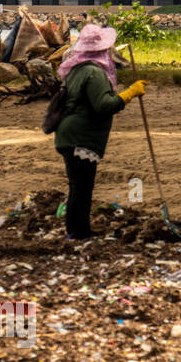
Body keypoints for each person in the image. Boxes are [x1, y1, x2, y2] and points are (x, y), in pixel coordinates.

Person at [54, 23, 147, 240]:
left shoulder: (77, 69)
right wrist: (129, 94)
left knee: (79, 185)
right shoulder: (94, 73)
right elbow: (104, 105)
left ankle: (77, 230)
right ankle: (78, 233)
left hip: (69, 134)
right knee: (82, 187)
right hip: (81, 137)